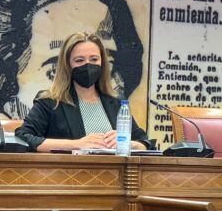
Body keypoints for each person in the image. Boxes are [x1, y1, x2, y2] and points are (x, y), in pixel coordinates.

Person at [0, 0, 144, 121]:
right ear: (6, 84)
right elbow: (31, 138)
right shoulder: (45, 108)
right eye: (54, 71)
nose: (83, 80)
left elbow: (143, 142)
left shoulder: (112, 107)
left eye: (107, 64)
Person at [16, 32, 152, 152]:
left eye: (94, 59)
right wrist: (77, 144)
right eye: (79, 60)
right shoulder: (50, 101)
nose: (88, 65)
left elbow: (146, 144)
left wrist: (128, 143)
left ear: (102, 63)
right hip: (68, 176)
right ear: (67, 65)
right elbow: (23, 137)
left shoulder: (115, 101)